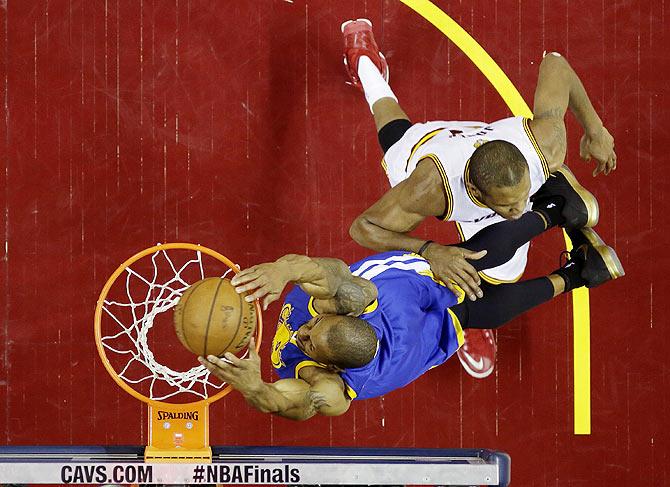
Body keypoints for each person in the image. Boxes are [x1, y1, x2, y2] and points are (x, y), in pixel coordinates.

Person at [340, 19, 617, 378]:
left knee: (500, 268)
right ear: (474, 193)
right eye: (509, 206)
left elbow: (556, 64)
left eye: (521, 200)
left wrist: (596, 130)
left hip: (488, 151)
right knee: (390, 122)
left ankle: (550, 206)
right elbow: (363, 228)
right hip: (425, 150)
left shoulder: (544, 145)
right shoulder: (427, 190)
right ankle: (363, 57)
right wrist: (429, 249)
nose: (517, 212)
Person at [199, 219, 623, 421]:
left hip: (418, 328)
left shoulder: (341, 353)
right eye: (311, 329)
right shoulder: (362, 300)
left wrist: (256, 387)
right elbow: (318, 270)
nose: (301, 331)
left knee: (475, 303)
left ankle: (578, 274)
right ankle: (552, 211)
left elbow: (300, 404)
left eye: (308, 338)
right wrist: (283, 270)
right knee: (463, 265)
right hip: (416, 320)